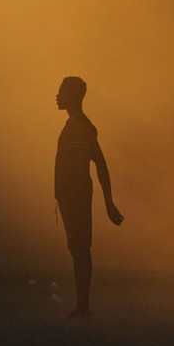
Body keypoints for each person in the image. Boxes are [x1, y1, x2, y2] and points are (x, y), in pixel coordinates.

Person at [54, 76, 123, 318]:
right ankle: (82, 306)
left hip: (76, 197)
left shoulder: (79, 128)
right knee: (79, 249)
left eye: (62, 91)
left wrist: (109, 204)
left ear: (72, 96)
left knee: (80, 249)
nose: (57, 95)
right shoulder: (79, 125)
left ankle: (83, 307)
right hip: (74, 197)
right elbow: (100, 164)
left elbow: (99, 165)